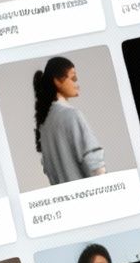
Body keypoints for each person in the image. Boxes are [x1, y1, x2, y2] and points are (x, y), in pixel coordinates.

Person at [31, 56, 105, 186]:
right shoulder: (71, 115)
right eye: (73, 78)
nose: (77, 83)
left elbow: (49, 169)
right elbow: (95, 164)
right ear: (57, 81)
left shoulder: (44, 124)